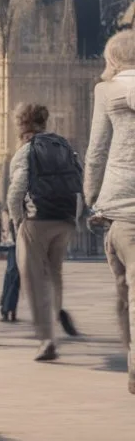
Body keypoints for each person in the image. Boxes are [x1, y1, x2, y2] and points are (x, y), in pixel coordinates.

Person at [7, 102, 82, 362]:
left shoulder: (26, 151)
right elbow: (78, 182)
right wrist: (75, 218)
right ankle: (57, 312)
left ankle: (46, 339)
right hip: (65, 220)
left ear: (21, 124)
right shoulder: (63, 146)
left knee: (34, 280)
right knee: (55, 272)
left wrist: (18, 221)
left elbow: (16, 192)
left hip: (36, 220)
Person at [83, 29, 135, 393]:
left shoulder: (106, 91)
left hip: (120, 206)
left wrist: (90, 196)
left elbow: (97, 151)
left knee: (125, 289)